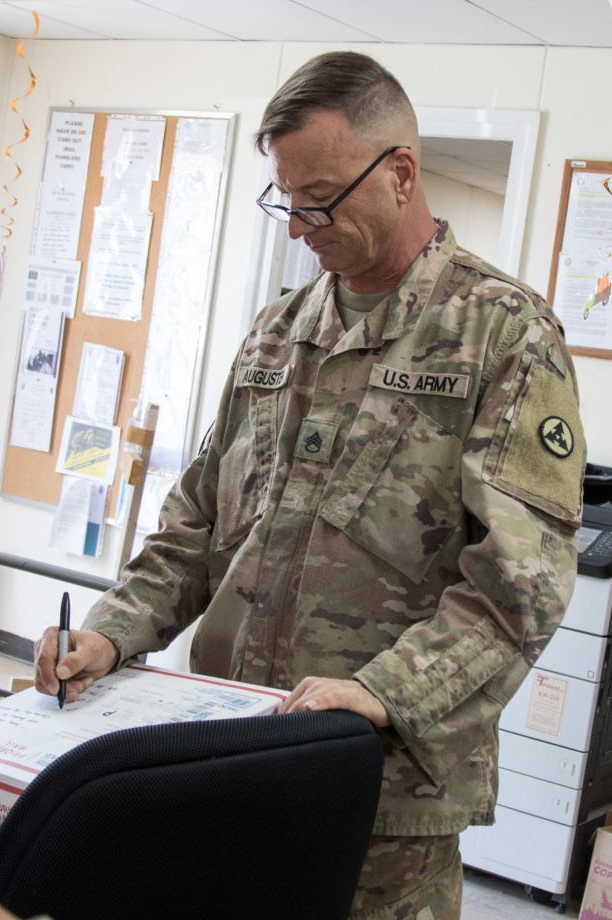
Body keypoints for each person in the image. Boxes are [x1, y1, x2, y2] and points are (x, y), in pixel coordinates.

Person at [35, 51, 585, 920]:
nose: (298, 225)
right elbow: (197, 525)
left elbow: (520, 586)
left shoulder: (503, 336)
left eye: (319, 198)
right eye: (285, 199)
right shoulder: (277, 333)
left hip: (378, 793)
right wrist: (111, 632)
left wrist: (384, 692)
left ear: (401, 173)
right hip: (229, 751)